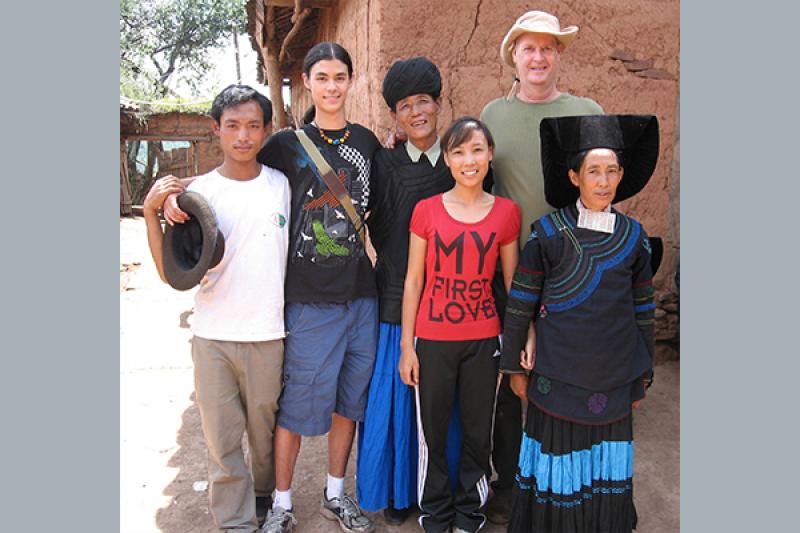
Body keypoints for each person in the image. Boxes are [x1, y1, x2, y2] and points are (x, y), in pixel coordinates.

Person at [500, 114, 659, 532]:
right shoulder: (547, 234)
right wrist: (514, 367)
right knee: (559, 460)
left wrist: (642, 374)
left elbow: (643, 308)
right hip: (556, 379)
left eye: (612, 171)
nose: (603, 182)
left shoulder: (634, 237)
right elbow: (521, 302)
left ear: (621, 175)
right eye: (593, 171)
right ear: (574, 177)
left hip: (614, 378)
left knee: (604, 465)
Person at [143, 84, 290, 532]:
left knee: (264, 432)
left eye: (253, 126)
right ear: (216, 129)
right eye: (232, 126)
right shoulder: (198, 196)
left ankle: (264, 496)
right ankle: (235, 521)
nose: (243, 136)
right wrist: (152, 213)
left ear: (267, 130)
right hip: (212, 337)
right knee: (221, 436)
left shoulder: (282, 185)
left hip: (268, 333)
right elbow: (171, 273)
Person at [478, 10, 604, 523]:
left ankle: (584, 484)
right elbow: (465, 166)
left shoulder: (586, 111)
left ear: (559, 55)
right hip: (511, 269)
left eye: (548, 48)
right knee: (512, 379)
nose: (538, 57)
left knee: (575, 377)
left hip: (575, 270)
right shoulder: (493, 114)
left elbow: (604, 186)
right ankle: (510, 484)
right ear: (514, 55)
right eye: (529, 48)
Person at [255, 42, 380, 533]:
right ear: (306, 81)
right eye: (322, 77)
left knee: (350, 400)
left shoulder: (367, 143)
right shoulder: (285, 145)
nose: (332, 87)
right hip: (308, 298)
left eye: (340, 77)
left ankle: (335, 493)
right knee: (298, 402)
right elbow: (244, 180)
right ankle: (282, 504)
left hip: (361, 295)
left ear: (351, 81)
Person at [356, 56, 465, 526]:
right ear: (394, 116)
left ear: (439, 103)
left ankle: (446, 490)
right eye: (405, 106)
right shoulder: (383, 164)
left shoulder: (463, 161)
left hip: (452, 304)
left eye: (424, 101)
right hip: (396, 297)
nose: (416, 112)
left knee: (447, 404)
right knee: (397, 399)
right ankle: (400, 492)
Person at [399, 117, 521, 533]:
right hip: (432, 339)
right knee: (432, 433)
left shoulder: (506, 213)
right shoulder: (426, 210)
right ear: (448, 160)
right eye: (459, 151)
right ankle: (435, 512)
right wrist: (407, 346)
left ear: (490, 155)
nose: (469, 160)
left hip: (484, 339)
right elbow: (413, 281)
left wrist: (524, 335)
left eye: (477, 150)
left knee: (477, 431)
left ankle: (470, 512)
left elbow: (513, 284)